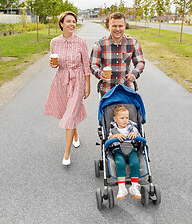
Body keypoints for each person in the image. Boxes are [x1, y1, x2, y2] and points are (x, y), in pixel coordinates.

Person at [44, 11, 91, 166]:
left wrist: (88, 84)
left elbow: (86, 65)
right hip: (61, 80)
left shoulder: (81, 42)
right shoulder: (54, 42)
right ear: (61, 24)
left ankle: (66, 154)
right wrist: (53, 64)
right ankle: (75, 135)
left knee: (70, 114)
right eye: (68, 21)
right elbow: (54, 63)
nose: (72, 24)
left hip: (77, 80)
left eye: (74, 21)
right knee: (68, 111)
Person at [90, 12, 145, 96]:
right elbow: (93, 64)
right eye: (114, 26)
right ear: (109, 26)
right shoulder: (100, 44)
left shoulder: (132, 43)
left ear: (125, 26)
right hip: (107, 91)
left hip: (126, 90)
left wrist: (134, 74)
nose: (117, 29)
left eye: (120, 26)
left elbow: (140, 62)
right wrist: (99, 73)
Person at [108, 104, 141, 200]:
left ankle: (134, 186)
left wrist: (135, 134)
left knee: (135, 163)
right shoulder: (114, 129)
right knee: (120, 163)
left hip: (131, 149)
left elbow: (138, 137)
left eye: (127, 117)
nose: (125, 120)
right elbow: (108, 139)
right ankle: (122, 188)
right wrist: (115, 136)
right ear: (115, 119)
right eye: (122, 118)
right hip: (118, 150)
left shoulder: (132, 127)